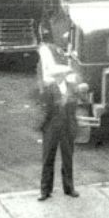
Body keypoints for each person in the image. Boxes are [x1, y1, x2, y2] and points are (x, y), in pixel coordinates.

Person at [38, 71, 86, 200]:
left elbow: (82, 101)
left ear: (64, 76)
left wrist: (79, 93)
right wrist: (43, 125)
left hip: (67, 127)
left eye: (60, 76)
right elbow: (44, 108)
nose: (57, 78)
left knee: (67, 158)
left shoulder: (72, 87)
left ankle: (69, 188)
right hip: (52, 127)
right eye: (56, 76)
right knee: (48, 158)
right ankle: (45, 190)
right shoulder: (48, 89)